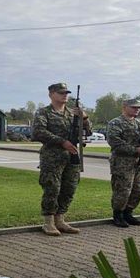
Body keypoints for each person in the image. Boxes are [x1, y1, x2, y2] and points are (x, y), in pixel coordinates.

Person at [32, 82, 92, 236]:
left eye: (66, 93)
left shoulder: (73, 113)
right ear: (51, 94)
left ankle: (61, 219)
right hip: (52, 157)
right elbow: (39, 132)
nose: (64, 95)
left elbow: (89, 131)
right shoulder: (43, 112)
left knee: (69, 187)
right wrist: (62, 142)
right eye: (61, 93)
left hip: (71, 157)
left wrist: (84, 117)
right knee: (52, 188)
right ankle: (49, 222)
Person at [106, 99, 140, 228]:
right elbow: (114, 142)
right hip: (122, 162)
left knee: (137, 190)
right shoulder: (116, 123)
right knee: (122, 190)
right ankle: (118, 215)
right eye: (133, 107)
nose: (137, 109)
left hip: (139, 162)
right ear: (125, 107)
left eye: (138, 107)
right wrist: (136, 149)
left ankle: (128, 213)